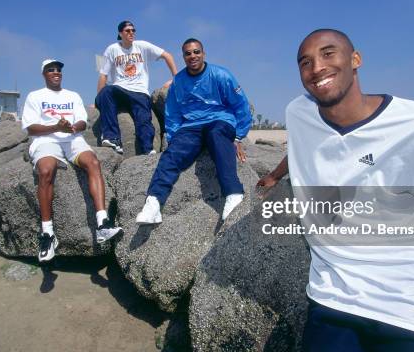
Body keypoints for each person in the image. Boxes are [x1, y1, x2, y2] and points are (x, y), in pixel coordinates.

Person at [258, 29, 414, 351]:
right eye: (306, 62)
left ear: (355, 59)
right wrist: (275, 176)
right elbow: (303, 145)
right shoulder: (299, 113)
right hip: (335, 298)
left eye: (328, 54)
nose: (316, 67)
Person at [136, 38, 252, 224]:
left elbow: (241, 105)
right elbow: (172, 113)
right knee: (171, 154)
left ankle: (234, 193)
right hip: (191, 126)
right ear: (183, 57)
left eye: (196, 52)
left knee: (216, 136)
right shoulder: (179, 81)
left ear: (203, 54)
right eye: (188, 53)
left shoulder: (221, 75)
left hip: (220, 121)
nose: (193, 56)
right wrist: (173, 138)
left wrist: (238, 137)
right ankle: (154, 202)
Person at [22, 59, 123, 262]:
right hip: (46, 140)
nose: (55, 73)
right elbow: (31, 128)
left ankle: (102, 223)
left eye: (58, 70)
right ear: (44, 74)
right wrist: (56, 128)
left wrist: (73, 128)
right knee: (46, 170)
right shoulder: (35, 96)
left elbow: (82, 122)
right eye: (51, 70)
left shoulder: (73, 95)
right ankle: (48, 234)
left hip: (72, 139)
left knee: (93, 162)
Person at [95, 20, 178, 155]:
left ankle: (147, 150)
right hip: (119, 89)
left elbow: (167, 55)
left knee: (143, 118)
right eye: (128, 31)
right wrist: (98, 99)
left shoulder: (142, 45)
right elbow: (103, 74)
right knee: (106, 91)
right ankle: (113, 139)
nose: (131, 33)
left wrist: (177, 79)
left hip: (139, 91)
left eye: (133, 30)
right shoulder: (111, 49)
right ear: (120, 33)